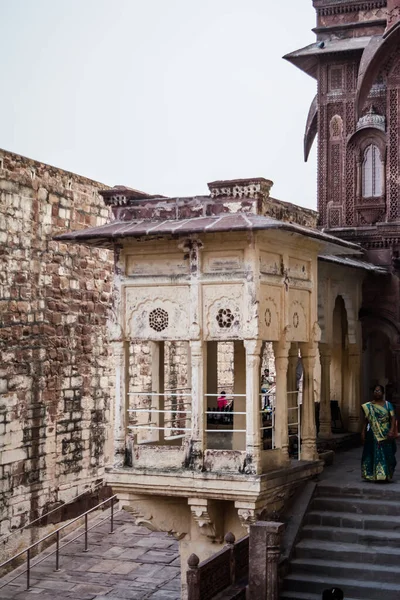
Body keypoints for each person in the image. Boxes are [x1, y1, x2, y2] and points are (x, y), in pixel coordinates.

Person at [361, 384, 397, 482]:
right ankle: (372, 474)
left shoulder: (388, 404)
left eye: (379, 391)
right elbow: (366, 420)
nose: (377, 393)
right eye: (375, 391)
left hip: (386, 433)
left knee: (388, 454)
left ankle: (386, 474)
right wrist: (363, 431)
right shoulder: (369, 406)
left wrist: (391, 430)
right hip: (372, 433)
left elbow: (393, 418)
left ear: (383, 393)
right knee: (371, 452)